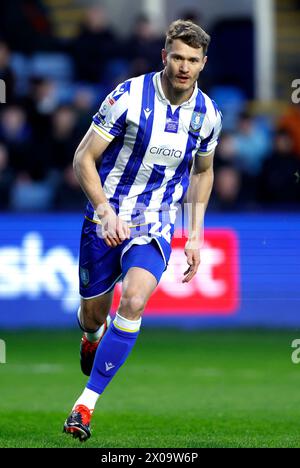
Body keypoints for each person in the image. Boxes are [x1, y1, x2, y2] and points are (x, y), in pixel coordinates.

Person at [63, 19, 222, 441]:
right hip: (105, 218)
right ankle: (92, 335)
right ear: (164, 56)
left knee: (133, 300)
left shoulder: (208, 115)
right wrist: (103, 209)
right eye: (177, 57)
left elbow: (203, 173)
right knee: (92, 313)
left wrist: (194, 232)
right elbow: (83, 158)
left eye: (192, 60)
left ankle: (85, 406)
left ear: (203, 63)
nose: (184, 66)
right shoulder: (128, 97)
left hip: (155, 223)